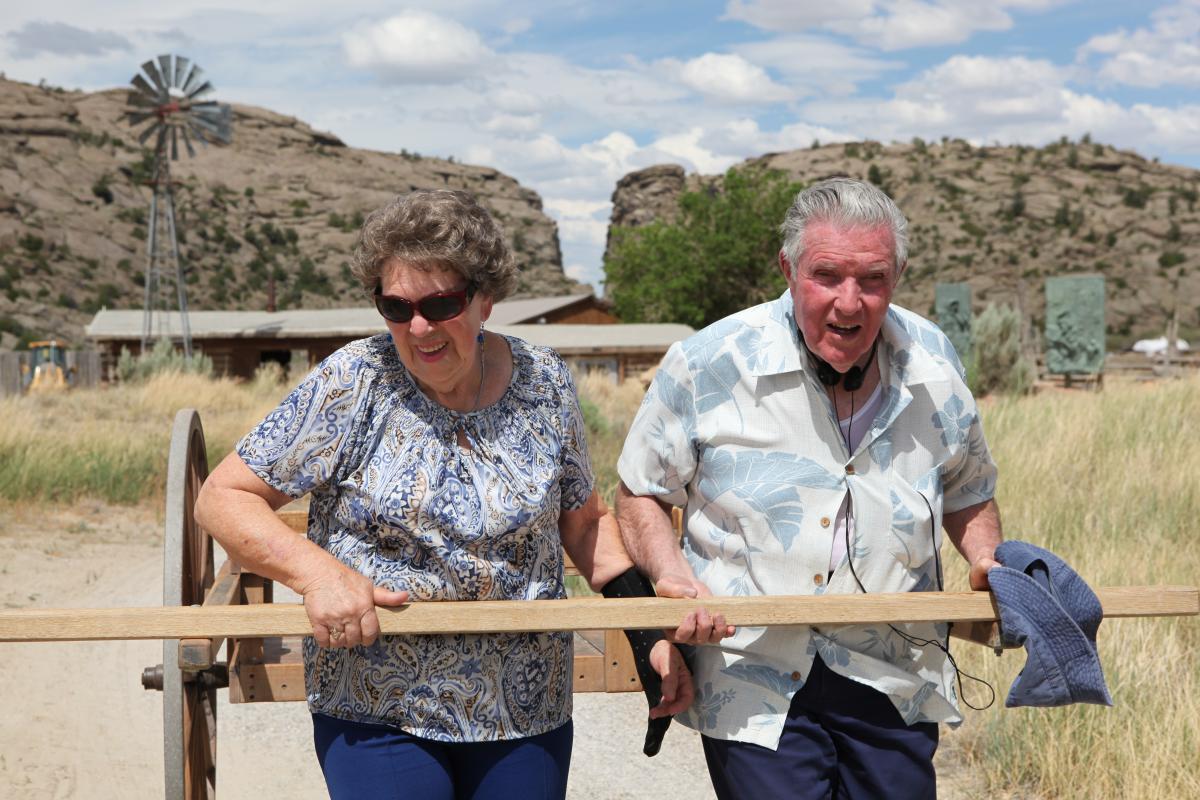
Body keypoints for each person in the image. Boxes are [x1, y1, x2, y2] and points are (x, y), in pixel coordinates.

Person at [194, 189, 692, 800]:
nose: (419, 327)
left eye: (441, 303)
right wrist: (317, 574)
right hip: (378, 699)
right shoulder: (353, 382)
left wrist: (648, 637)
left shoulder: (544, 380)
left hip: (525, 701)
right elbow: (223, 495)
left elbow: (584, 524)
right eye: (396, 307)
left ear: (486, 299)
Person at [616, 177, 1003, 799]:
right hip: (754, 673)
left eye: (872, 280)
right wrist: (671, 576)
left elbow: (967, 487)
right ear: (788, 268)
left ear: (897, 276)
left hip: (895, 670)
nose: (849, 303)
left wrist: (986, 560)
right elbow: (639, 491)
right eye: (826, 276)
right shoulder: (709, 361)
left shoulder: (936, 361)